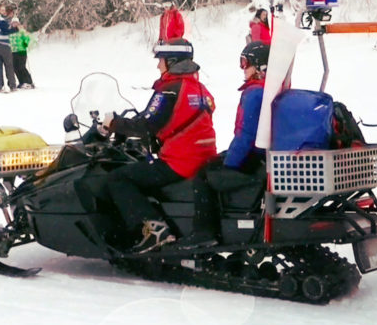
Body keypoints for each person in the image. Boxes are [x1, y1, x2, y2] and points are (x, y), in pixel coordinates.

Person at [100, 38, 217, 253]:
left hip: (180, 163)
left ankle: (154, 229)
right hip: (204, 158)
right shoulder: (200, 90)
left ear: (172, 62)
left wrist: (114, 124)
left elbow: (147, 123)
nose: (158, 65)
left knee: (118, 178)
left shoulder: (169, 90)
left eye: (161, 61)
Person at [177, 41, 269, 249]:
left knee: (204, 176)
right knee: (214, 163)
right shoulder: (269, 89)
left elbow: (246, 136)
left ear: (260, 67)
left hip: (253, 157)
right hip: (262, 155)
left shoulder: (254, 93)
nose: (243, 68)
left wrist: (230, 164)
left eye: (245, 63)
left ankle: (204, 232)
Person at [9, 16, 34, 89]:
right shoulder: (10, 31)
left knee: (21, 66)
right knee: (15, 67)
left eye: (16, 22)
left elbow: (27, 37)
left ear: (18, 23)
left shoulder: (21, 30)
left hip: (21, 50)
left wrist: (25, 43)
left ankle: (29, 81)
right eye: (13, 23)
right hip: (13, 51)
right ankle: (21, 81)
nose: (15, 24)